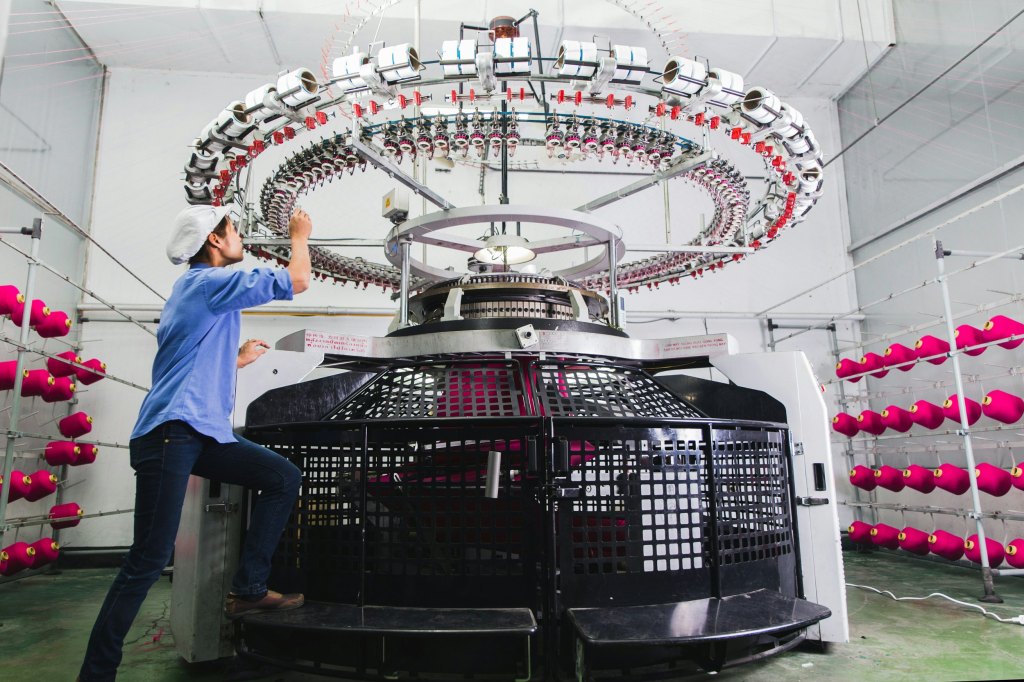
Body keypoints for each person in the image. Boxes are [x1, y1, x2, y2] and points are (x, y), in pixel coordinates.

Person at [78, 205, 313, 681]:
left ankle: (249, 586)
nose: (240, 236)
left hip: (198, 432)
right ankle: (96, 673)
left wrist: (238, 360)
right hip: (173, 433)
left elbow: (188, 369)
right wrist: (299, 235)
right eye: (234, 230)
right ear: (213, 241)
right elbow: (299, 279)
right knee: (146, 560)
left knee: (281, 477)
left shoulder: (195, 294)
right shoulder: (207, 284)